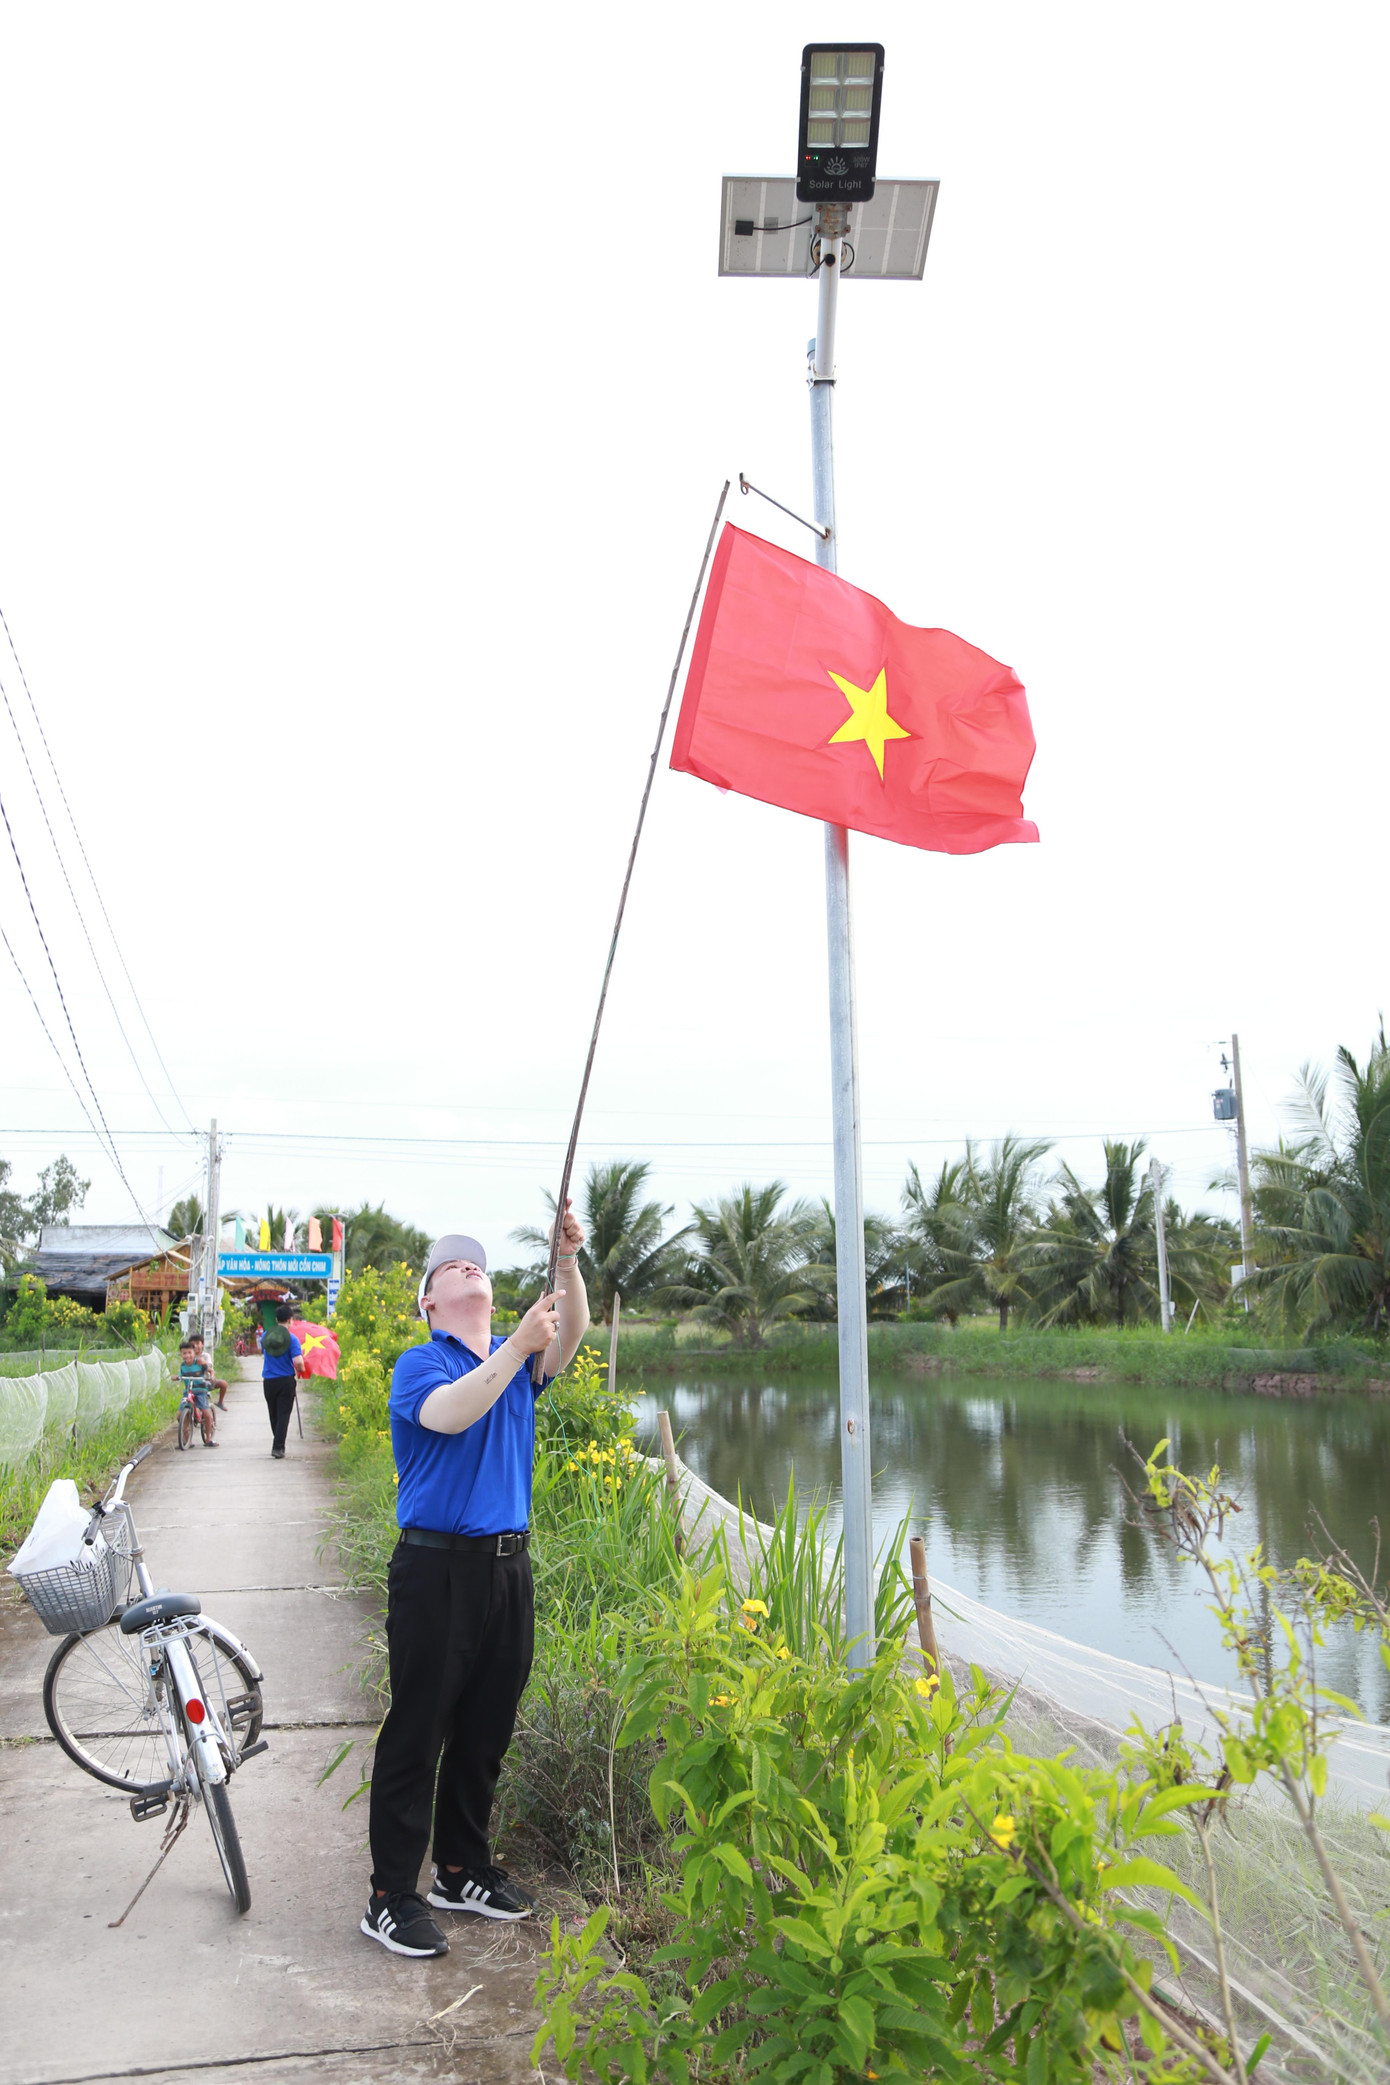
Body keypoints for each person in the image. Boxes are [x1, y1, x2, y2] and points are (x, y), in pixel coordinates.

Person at [361, 1207, 588, 1959]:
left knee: (486, 1727)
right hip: (436, 1569)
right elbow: (451, 1416)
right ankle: (391, 1895)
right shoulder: (421, 1364)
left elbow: (573, 1331)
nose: (468, 1267)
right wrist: (518, 1345)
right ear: (428, 1301)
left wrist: (566, 1263)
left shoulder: (519, 1364)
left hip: (508, 1568)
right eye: (451, 1265)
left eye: (478, 1263)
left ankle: (460, 1870)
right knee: (417, 1729)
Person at [261, 1303, 302, 1459]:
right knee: (284, 1414)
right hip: (285, 1381)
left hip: (268, 1381)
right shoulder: (292, 1339)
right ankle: (278, 1447)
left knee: (274, 1414)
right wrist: (302, 1369)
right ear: (290, 1320)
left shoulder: (265, 1336)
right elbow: (298, 1362)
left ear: (276, 1320)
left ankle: (278, 1442)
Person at [178, 1338, 218, 1447]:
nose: (187, 1355)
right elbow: (180, 1376)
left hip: (200, 1391)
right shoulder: (183, 1366)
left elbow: (210, 1370)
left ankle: (208, 1439)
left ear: (194, 1353)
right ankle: (186, 1440)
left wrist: (212, 1376)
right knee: (179, 1416)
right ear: (181, 1354)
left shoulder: (199, 1362)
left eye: (189, 1353)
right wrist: (176, 1377)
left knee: (206, 1414)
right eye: (184, 1353)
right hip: (188, 1391)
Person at [188, 1331, 229, 1411]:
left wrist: (211, 1376)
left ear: (202, 1344)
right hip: (193, 1382)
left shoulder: (206, 1356)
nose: (195, 1346)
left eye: (197, 1343)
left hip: (206, 1381)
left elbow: (209, 1367)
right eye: (193, 1344)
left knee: (223, 1384)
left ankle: (220, 1402)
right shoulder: (188, 1356)